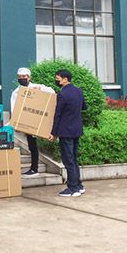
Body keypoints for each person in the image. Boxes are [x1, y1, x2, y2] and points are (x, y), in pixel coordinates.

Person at [8, 67, 55, 177]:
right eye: (20, 77)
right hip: (26, 123)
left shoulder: (37, 87)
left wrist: (40, 88)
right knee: (32, 145)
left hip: (37, 121)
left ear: (29, 77)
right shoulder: (16, 92)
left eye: (24, 77)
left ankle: (34, 169)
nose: (22, 78)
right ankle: (34, 169)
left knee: (33, 145)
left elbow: (52, 92)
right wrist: (16, 124)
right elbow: (14, 109)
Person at [48, 69, 86, 197]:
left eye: (58, 79)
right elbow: (84, 107)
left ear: (65, 79)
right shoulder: (79, 91)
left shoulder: (63, 94)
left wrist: (53, 132)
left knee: (68, 160)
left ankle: (73, 188)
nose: (56, 81)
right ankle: (79, 185)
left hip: (65, 131)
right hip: (76, 130)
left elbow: (57, 115)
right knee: (73, 159)